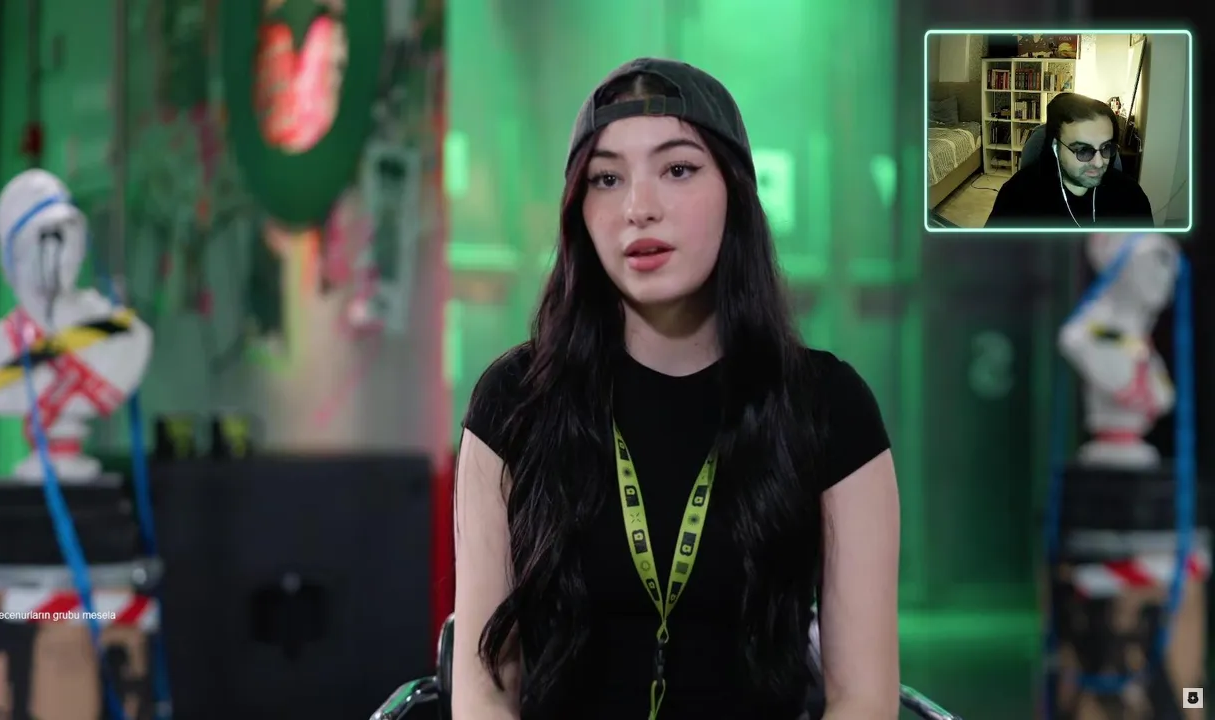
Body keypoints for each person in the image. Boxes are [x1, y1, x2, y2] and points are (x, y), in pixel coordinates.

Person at [452, 58, 900, 720]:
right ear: (579, 211)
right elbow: (484, 692)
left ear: (735, 194)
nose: (639, 208)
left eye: (678, 169)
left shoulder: (828, 408)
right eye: (607, 178)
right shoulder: (515, 403)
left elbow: (862, 697)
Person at [986, 92, 1154, 229]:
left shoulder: (1131, 197)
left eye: (1106, 148)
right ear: (1055, 147)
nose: (1098, 162)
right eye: (1083, 151)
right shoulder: (1018, 196)